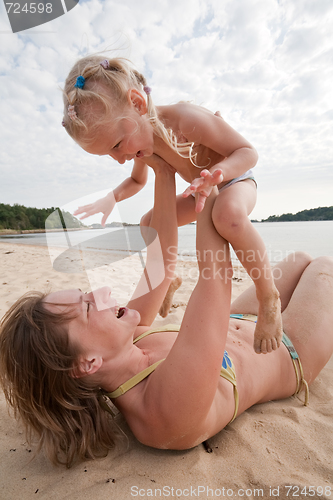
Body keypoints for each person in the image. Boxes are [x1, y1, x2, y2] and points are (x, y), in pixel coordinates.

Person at [1, 160, 333, 469]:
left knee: (301, 256)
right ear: (87, 363)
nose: (102, 293)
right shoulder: (163, 412)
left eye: (86, 293)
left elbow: (160, 256)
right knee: (324, 265)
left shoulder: (129, 337)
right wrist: (208, 176)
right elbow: (215, 274)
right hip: (289, 351)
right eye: (89, 306)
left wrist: (162, 167)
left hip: (245, 319)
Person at [62, 54, 281, 354]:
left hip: (235, 179)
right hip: (199, 189)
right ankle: (171, 276)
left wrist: (218, 174)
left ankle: (268, 296)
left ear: (138, 104)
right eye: (108, 155)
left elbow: (247, 152)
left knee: (226, 215)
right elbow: (137, 182)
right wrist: (111, 198)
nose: (119, 158)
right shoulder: (140, 145)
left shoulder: (185, 121)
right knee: (146, 223)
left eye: (115, 146)